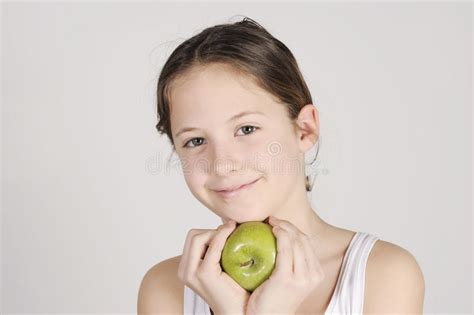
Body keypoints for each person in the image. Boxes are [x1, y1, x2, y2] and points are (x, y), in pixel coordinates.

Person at [138, 17, 425, 315]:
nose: (222, 164)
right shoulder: (165, 289)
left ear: (305, 129)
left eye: (246, 129)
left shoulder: (382, 276)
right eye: (196, 141)